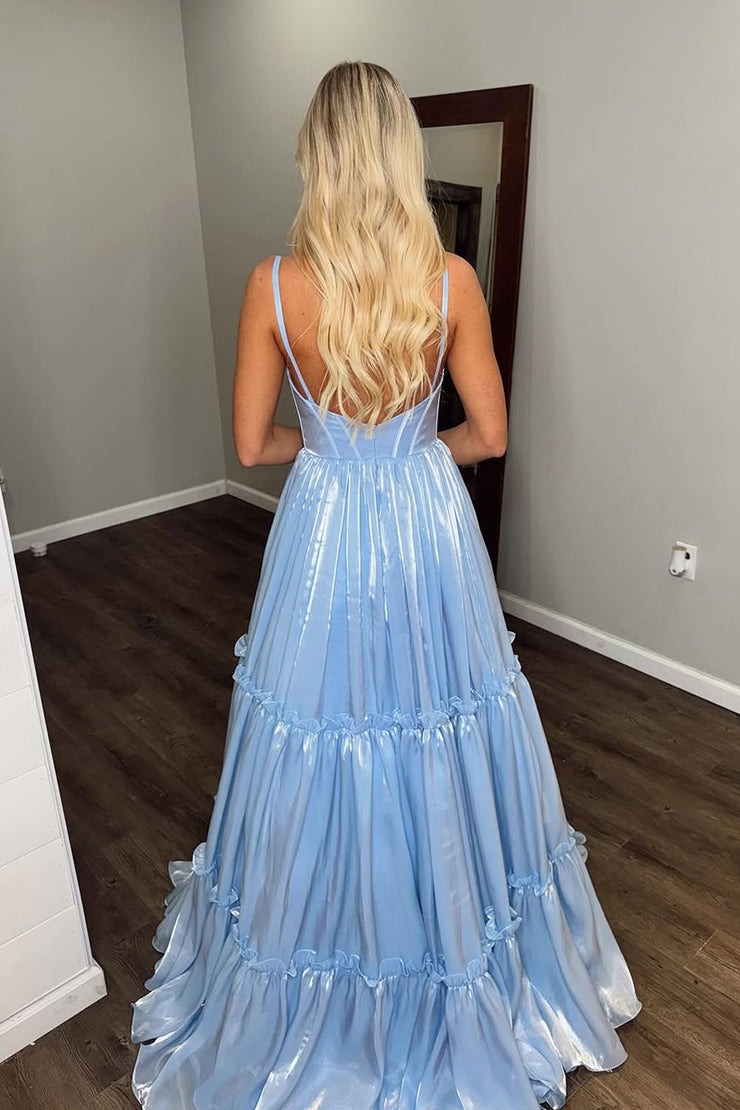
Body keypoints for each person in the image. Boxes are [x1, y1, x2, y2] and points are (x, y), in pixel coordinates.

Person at [130, 60, 641, 1109]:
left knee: (317, 725)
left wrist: (330, 451)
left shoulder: (273, 285)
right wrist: (409, 454)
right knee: (444, 717)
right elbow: (489, 434)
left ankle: (315, 957)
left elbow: (250, 444)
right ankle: (455, 931)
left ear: (314, 157)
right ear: (402, 153)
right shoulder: (449, 280)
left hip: (322, 530)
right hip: (423, 527)